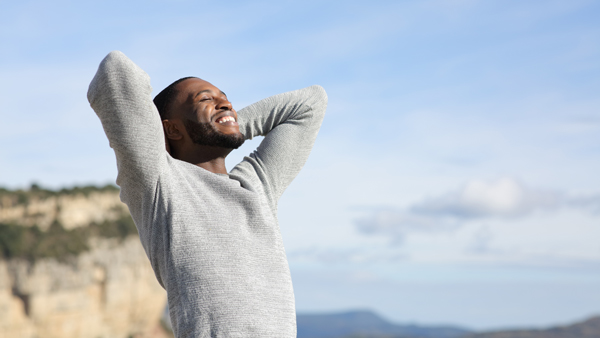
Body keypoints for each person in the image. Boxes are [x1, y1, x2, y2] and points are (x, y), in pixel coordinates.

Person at [87, 51, 327, 338]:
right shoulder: (159, 182)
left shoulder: (257, 185)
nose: (225, 103)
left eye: (225, 98)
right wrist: (186, 134)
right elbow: (115, 71)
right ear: (172, 128)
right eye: (205, 99)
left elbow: (311, 103)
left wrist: (228, 124)